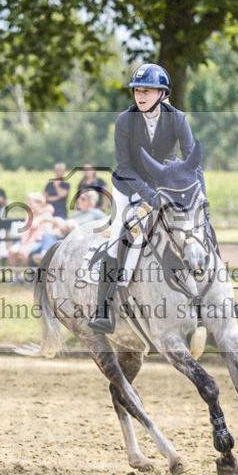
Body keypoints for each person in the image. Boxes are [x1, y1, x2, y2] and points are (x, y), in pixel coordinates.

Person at [89, 63, 206, 333]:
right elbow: (126, 166)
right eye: (137, 91)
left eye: (147, 91)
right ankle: (103, 309)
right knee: (118, 233)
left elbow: (192, 163)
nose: (140, 96)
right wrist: (150, 197)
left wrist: (201, 198)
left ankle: (219, 299)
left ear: (162, 94)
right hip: (128, 187)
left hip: (166, 187)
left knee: (196, 230)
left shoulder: (178, 119)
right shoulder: (124, 120)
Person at [6, 192, 58, 270]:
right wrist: (23, 243)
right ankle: (17, 276)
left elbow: (44, 233)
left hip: (38, 242)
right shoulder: (29, 215)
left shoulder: (47, 215)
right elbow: (26, 232)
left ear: (39, 203)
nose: (28, 205)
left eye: (30, 203)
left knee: (23, 252)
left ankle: (30, 274)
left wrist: (39, 219)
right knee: (12, 251)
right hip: (26, 241)